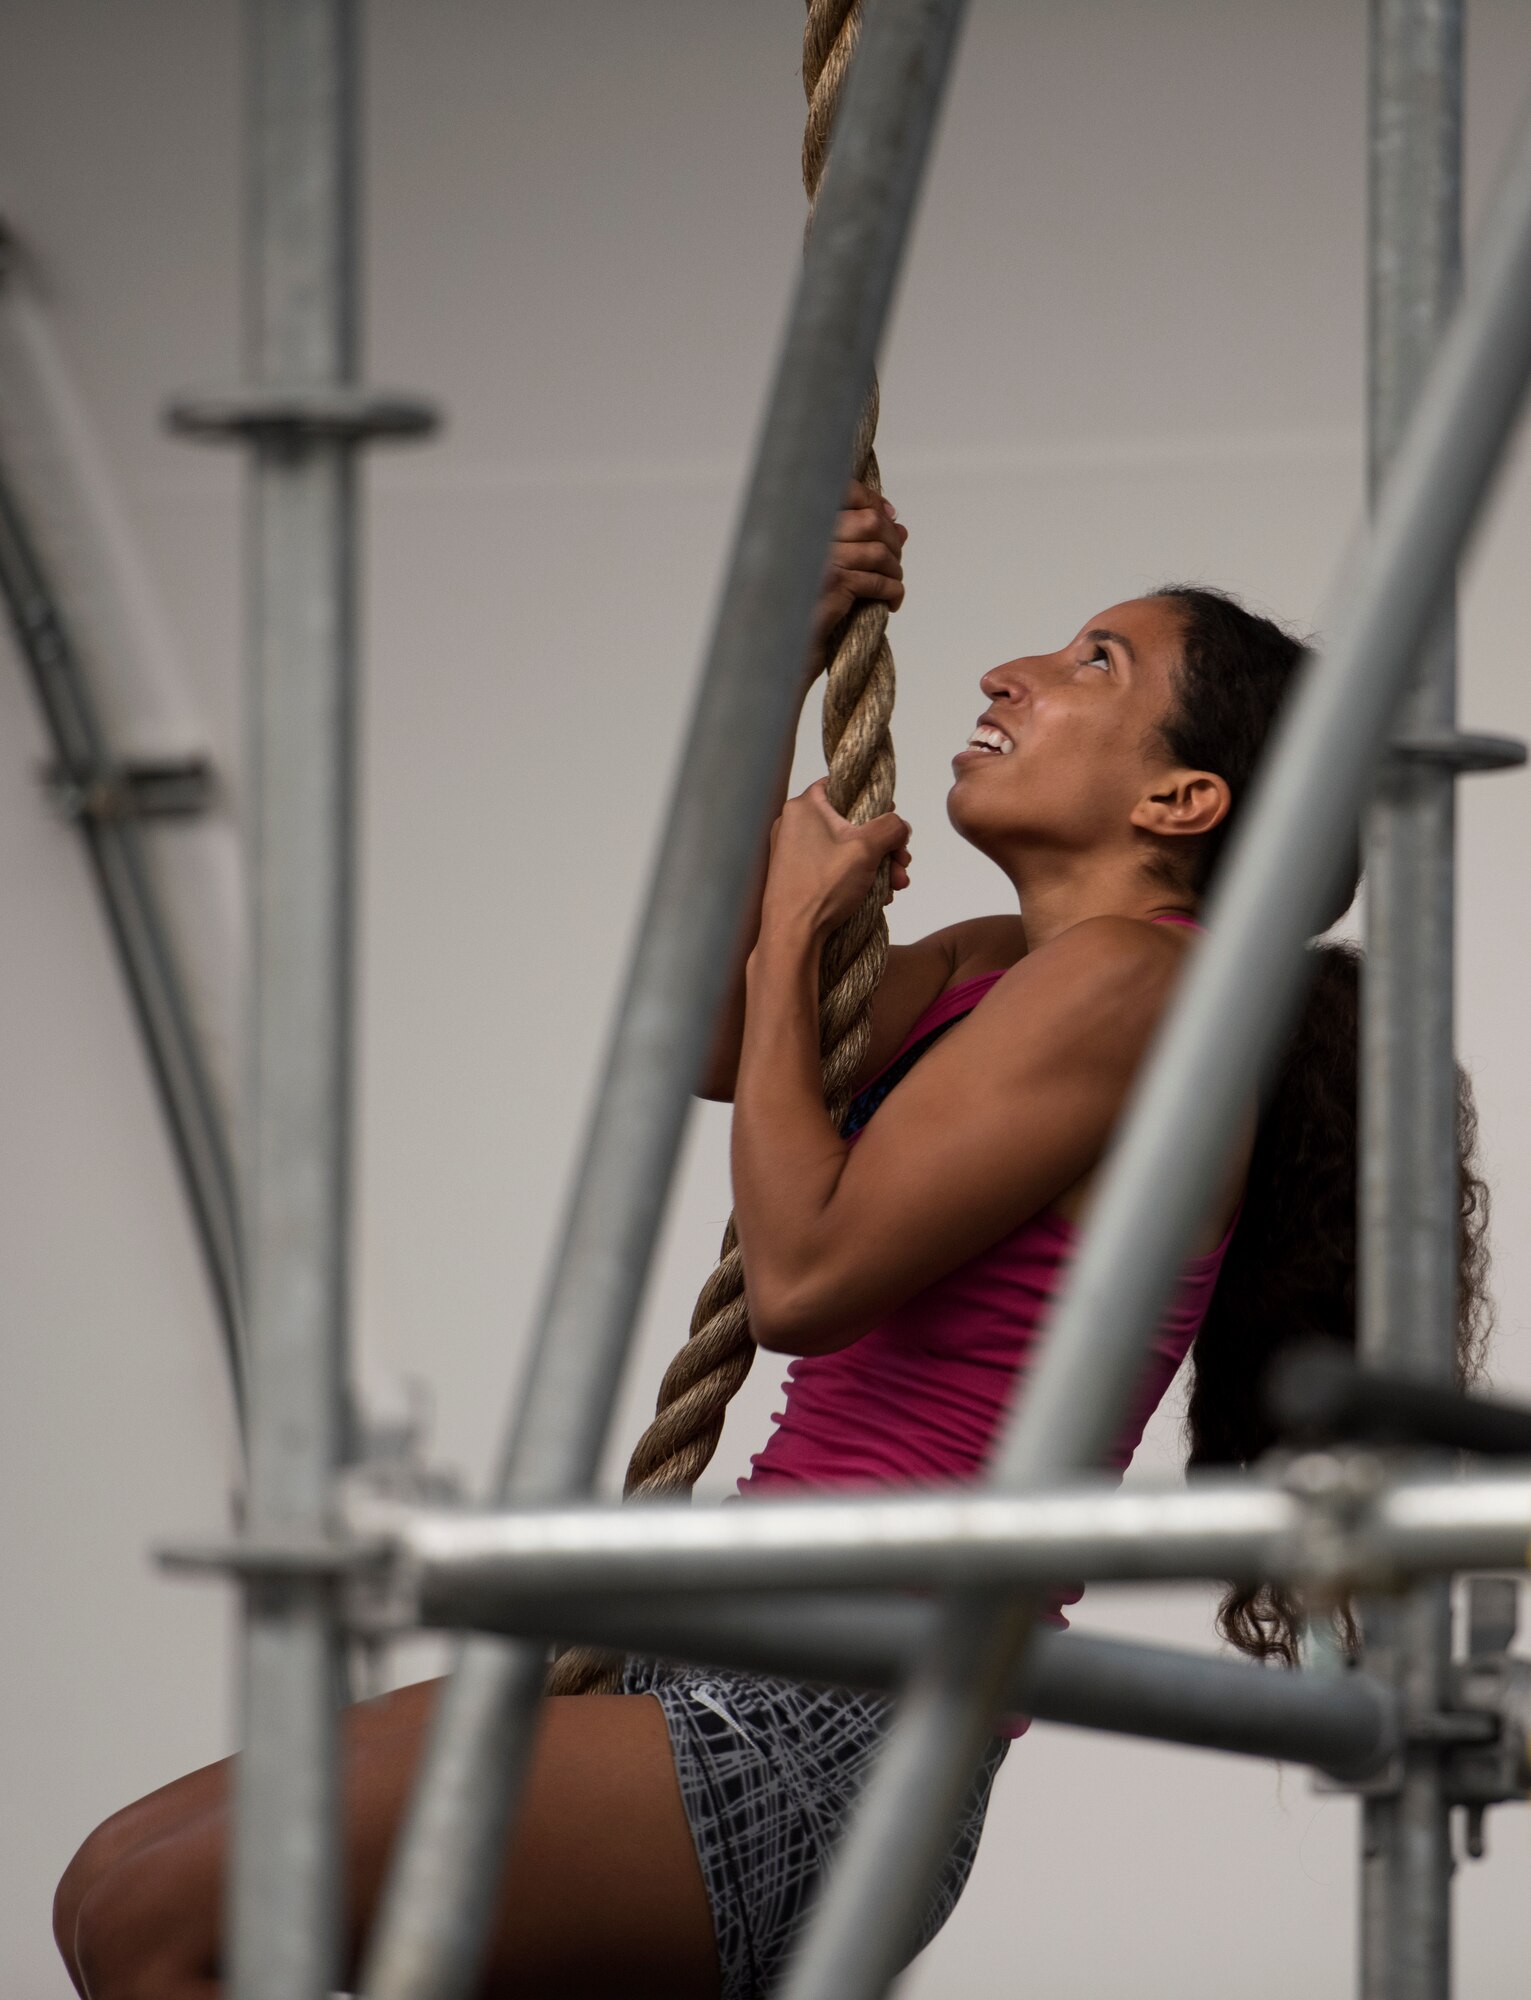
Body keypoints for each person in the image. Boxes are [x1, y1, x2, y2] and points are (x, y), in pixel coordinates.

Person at [54, 487, 1490, 2000]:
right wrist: (782, 674)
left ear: (1182, 803)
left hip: (826, 1729)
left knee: (174, 1922)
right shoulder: (1013, 966)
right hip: (725, 1658)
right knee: (111, 1887)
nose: (1010, 672)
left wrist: (807, 922)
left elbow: (801, 1275)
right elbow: (717, 1037)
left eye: (1094, 665)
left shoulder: (1139, 984)